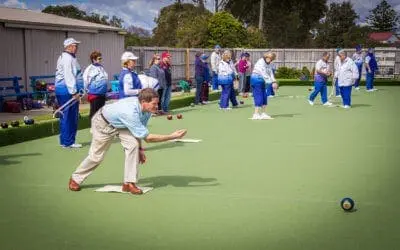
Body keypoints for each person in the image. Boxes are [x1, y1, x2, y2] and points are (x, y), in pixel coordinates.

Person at [68, 88, 188, 195]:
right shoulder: (130, 112)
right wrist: (172, 136)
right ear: (143, 102)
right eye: (154, 104)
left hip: (122, 124)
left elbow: (140, 132)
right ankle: (75, 179)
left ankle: (129, 183)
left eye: (157, 103)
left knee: (133, 146)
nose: (157, 106)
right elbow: (148, 138)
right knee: (96, 157)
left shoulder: (147, 111)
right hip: (103, 123)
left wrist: (140, 149)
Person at [55, 38, 84, 148]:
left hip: (63, 90)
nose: (76, 47)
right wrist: (74, 92)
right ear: (69, 46)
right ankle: (69, 142)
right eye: (75, 45)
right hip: (67, 91)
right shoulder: (68, 58)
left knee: (65, 116)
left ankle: (64, 141)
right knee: (70, 116)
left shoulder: (65, 57)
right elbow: (69, 75)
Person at [250, 52, 276, 119]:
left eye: (271, 59)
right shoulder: (260, 62)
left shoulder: (269, 63)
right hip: (256, 79)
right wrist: (271, 82)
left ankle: (263, 113)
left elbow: (270, 73)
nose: (270, 60)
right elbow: (263, 73)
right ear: (266, 57)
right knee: (259, 96)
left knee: (264, 96)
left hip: (263, 81)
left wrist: (274, 81)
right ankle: (255, 114)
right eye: (269, 58)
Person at [83, 51, 108, 121]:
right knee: (94, 112)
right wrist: (85, 91)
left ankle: (99, 127)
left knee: (101, 112)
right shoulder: (89, 69)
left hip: (102, 94)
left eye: (101, 58)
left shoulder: (101, 67)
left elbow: (105, 78)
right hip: (94, 95)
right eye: (99, 58)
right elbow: (85, 81)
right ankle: (93, 127)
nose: (100, 60)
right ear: (94, 59)